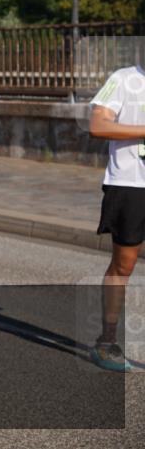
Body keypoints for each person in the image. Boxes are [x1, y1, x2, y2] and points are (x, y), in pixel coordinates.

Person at [87, 63, 145, 371]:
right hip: (130, 185)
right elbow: (98, 124)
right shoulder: (122, 79)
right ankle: (106, 344)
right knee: (124, 264)